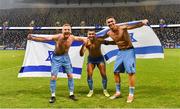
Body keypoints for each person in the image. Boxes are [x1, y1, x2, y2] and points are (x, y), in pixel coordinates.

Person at [27, 24, 87, 103]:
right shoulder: (58, 37)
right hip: (56, 58)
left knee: (70, 75)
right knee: (53, 77)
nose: (67, 31)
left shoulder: (72, 37)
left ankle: (71, 94)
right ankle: (53, 96)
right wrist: (33, 38)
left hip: (66, 58)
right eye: (65, 29)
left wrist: (86, 39)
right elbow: (45, 38)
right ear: (62, 31)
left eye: (68, 29)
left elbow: (82, 38)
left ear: (70, 31)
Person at [104, 17, 148, 103]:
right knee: (115, 72)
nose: (110, 23)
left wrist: (142, 22)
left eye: (111, 21)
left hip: (129, 50)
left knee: (131, 72)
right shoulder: (109, 33)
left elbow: (135, 26)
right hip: (120, 52)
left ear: (115, 21)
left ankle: (131, 94)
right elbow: (117, 41)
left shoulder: (123, 28)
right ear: (107, 24)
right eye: (108, 22)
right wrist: (107, 42)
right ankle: (118, 92)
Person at [80, 30, 115, 97]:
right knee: (89, 74)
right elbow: (81, 54)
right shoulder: (86, 42)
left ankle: (105, 90)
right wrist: (84, 45)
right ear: (87, 35)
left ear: (95, 34)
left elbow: (108, 42)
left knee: (103, 74)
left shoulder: (98, 40)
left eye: (92, 34)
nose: (91, 35)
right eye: (89, 34)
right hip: (91, 60)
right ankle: (91, 91)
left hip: (100, 59)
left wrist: (118, 42)